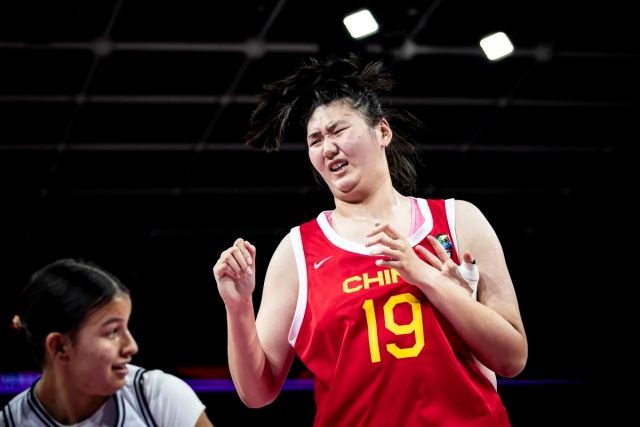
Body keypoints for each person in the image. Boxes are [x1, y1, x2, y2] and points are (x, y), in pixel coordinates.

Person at [213, 54, 527, 426]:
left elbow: (512, 359)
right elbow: (257, 393)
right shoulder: (297, 252)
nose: (327, 147)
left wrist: (427, 278)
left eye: (338, 131)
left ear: (382, 132)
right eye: (315, 140)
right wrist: (238, 308)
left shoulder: (459, 221)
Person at [1, 258, 214, 427]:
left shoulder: (159, 397)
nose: (131, 347)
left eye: (126, 328)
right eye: (112, 332)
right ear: (60, 346)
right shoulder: (10, 422)